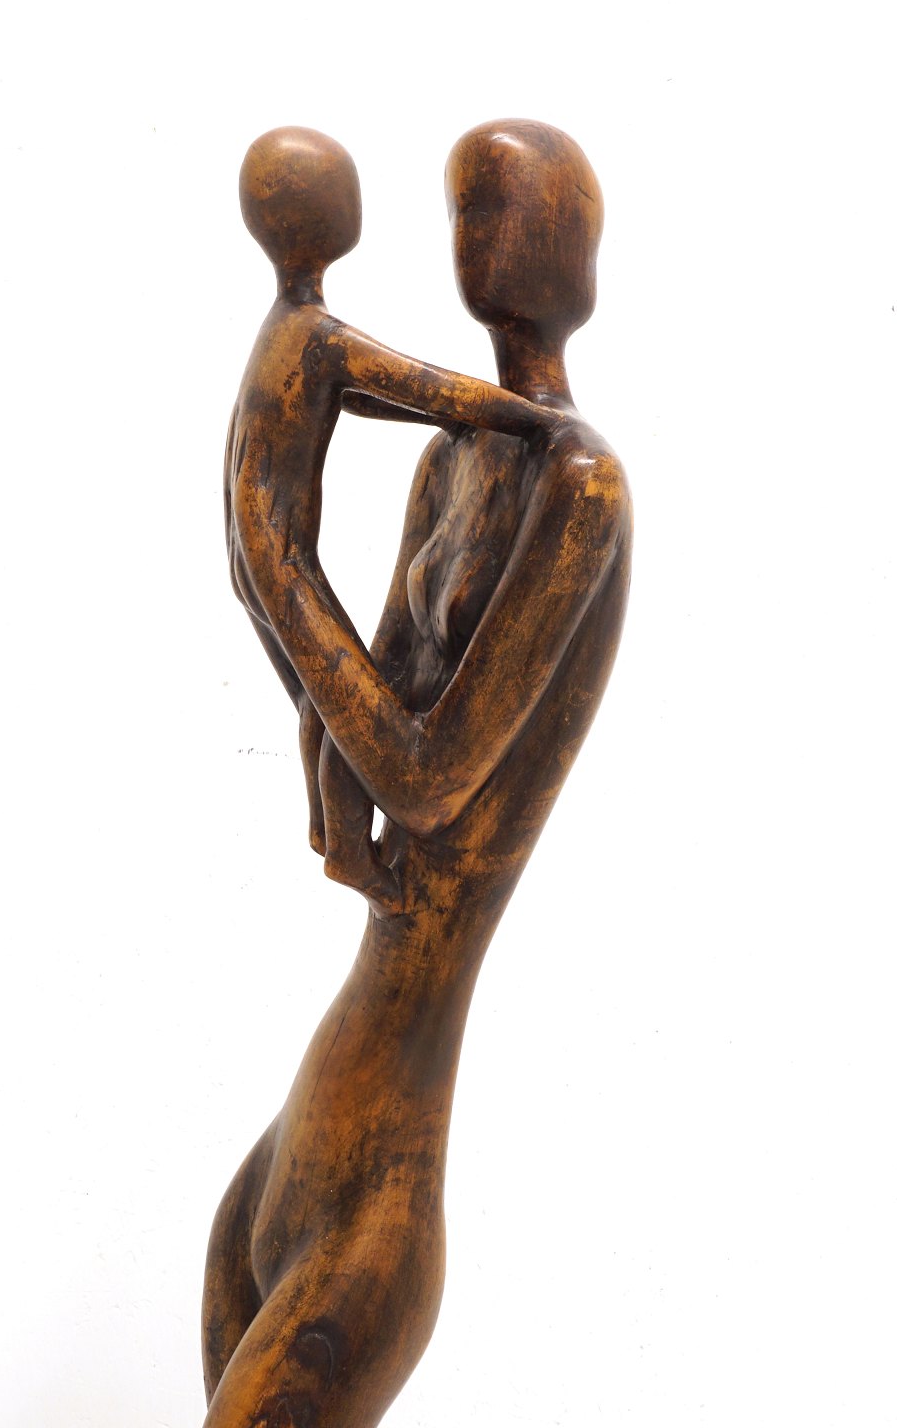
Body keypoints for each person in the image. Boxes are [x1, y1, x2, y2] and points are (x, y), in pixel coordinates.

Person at [206, 121, 633, 1428]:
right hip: (306, 1124)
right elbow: (365, 728)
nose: (486, 232)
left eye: (514, 205)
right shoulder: (455, 461)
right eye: (468, 208)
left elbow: (428, 778)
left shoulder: (581, 484)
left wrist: (279, 569)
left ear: (582, 253)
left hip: (380, 1186)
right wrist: (299, 669)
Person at [225, 126, 563, 914]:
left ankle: (330, 832)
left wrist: (451, 422)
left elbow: (363, 397)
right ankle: (350, 853)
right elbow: (415, 384)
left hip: (249, 554)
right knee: (349, 695)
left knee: (325, 699)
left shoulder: (280, 335)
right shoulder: (314, 331)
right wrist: (521, 416)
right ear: (336, 216)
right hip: (281, 557)